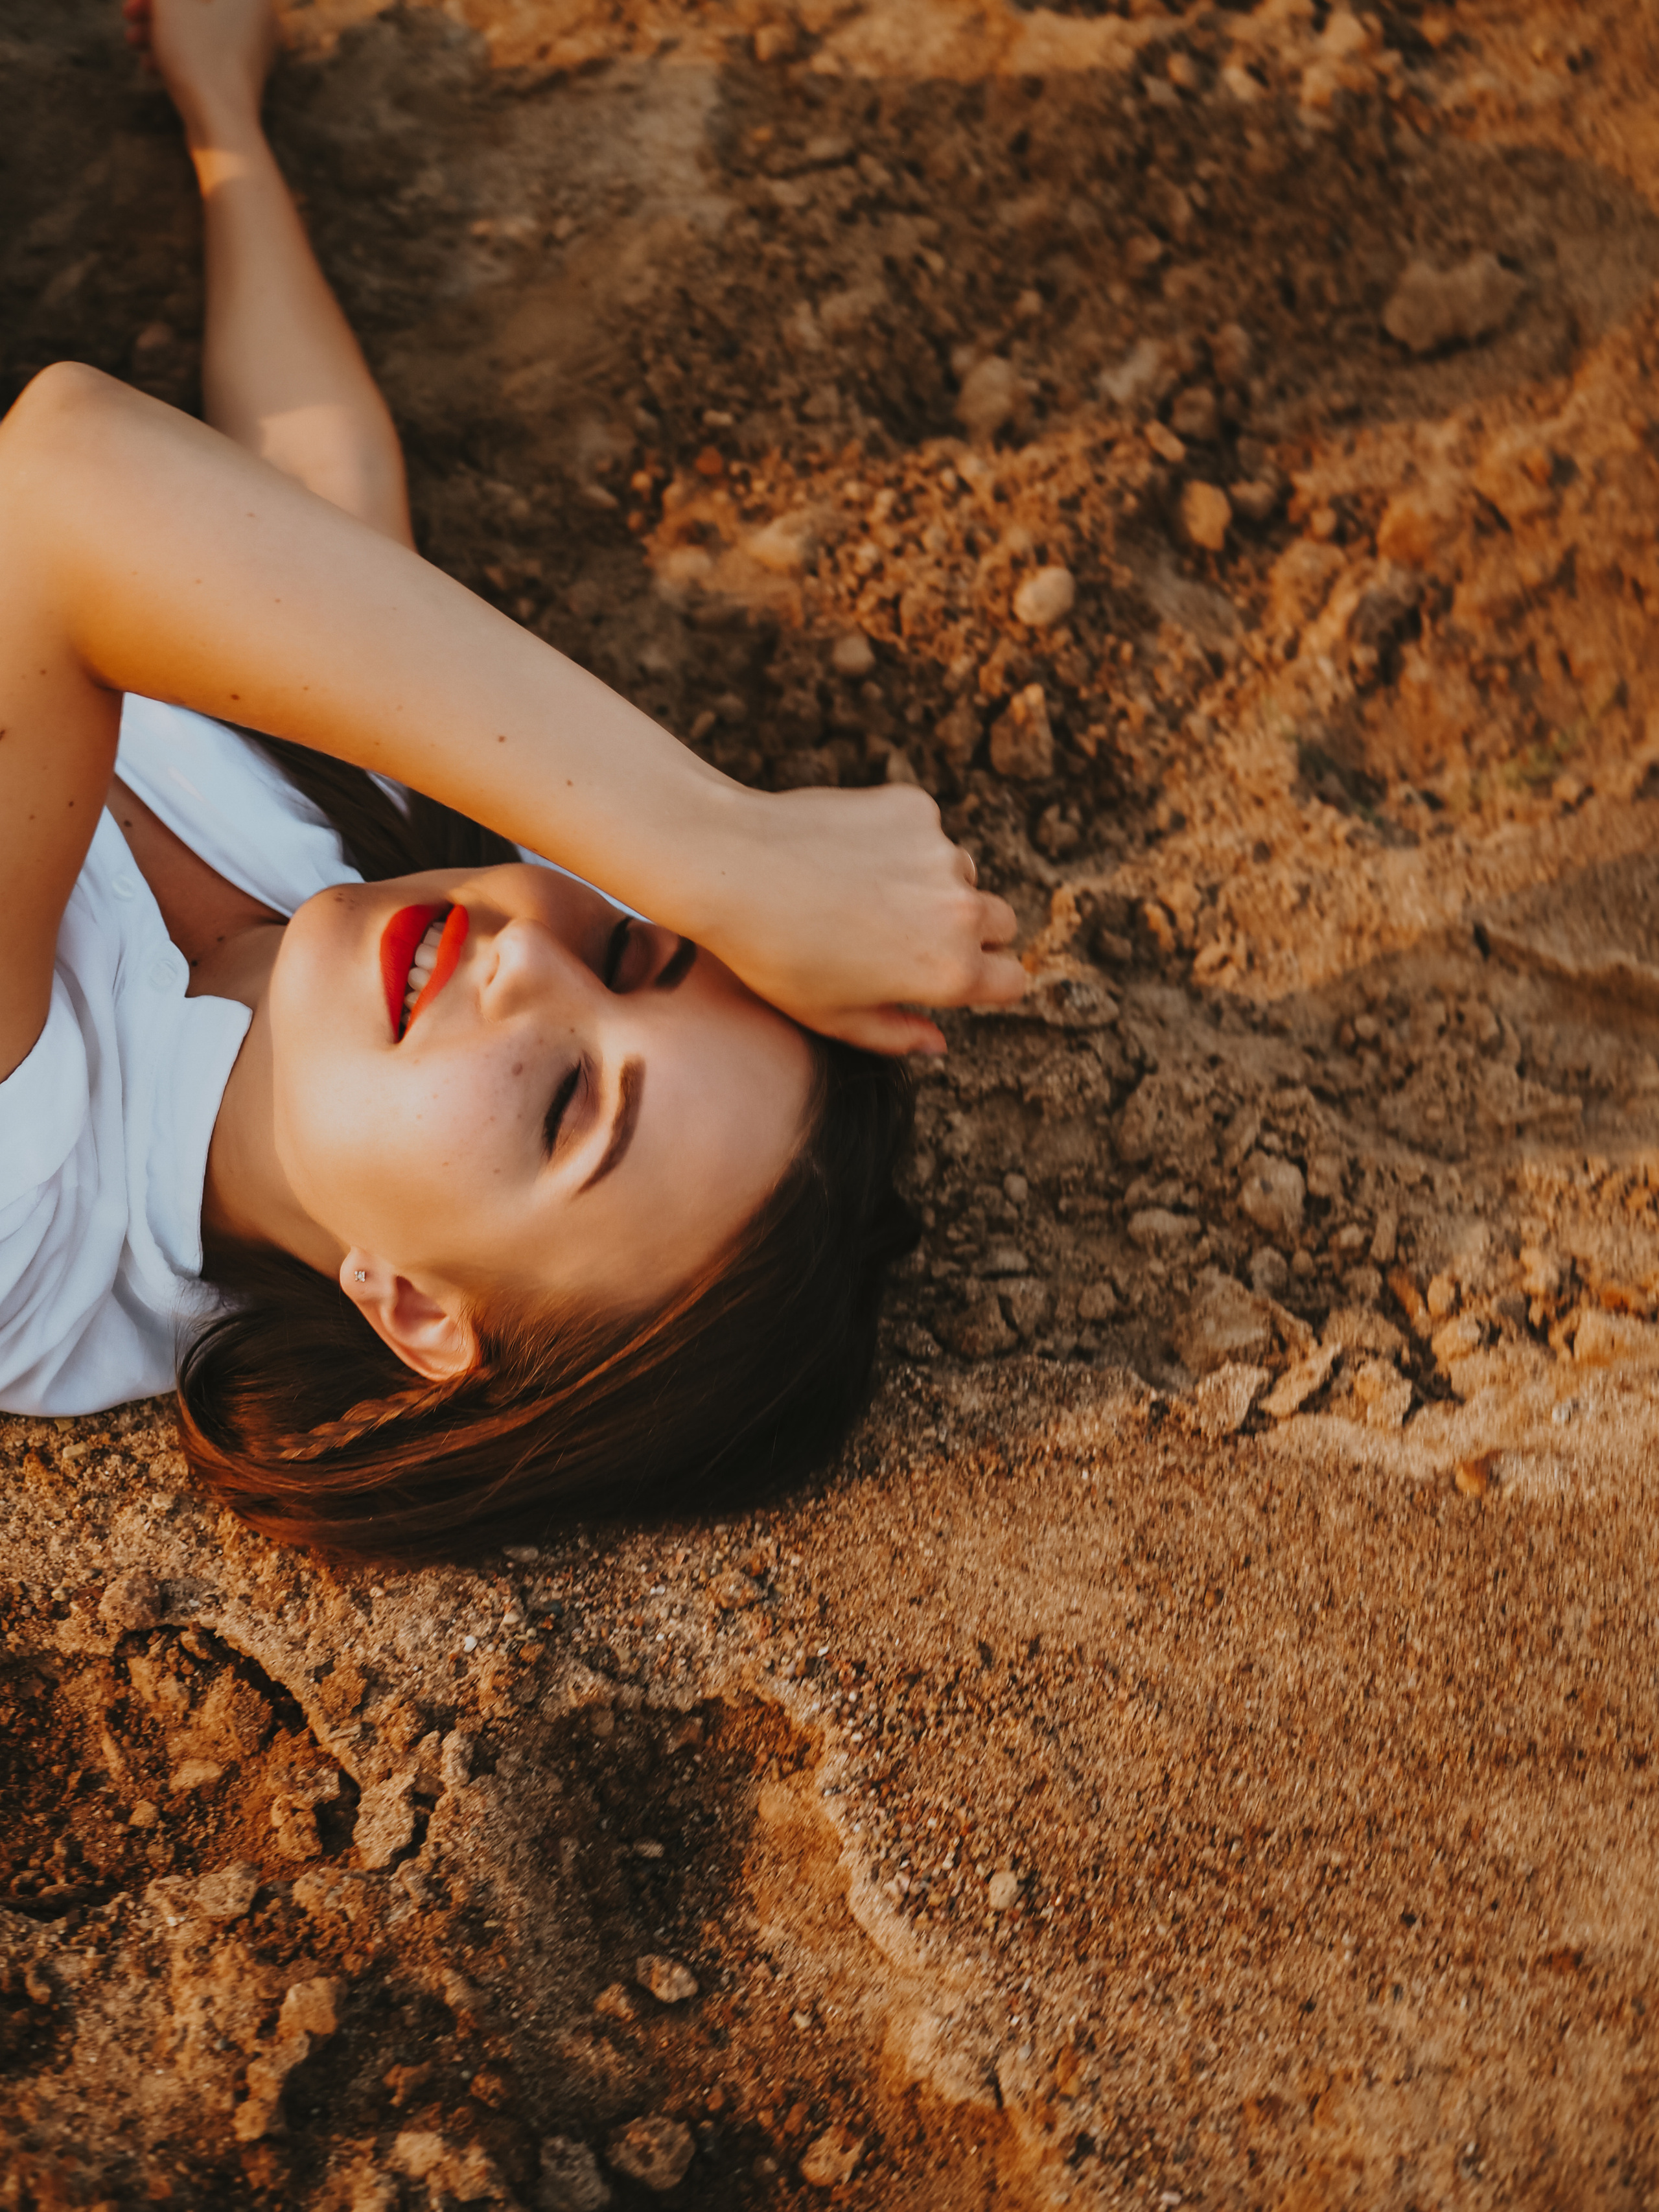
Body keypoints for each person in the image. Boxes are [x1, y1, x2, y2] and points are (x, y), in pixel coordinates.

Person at [0, 0, 1023, 1559]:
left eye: (562, 1108)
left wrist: (716, 851)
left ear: (415, 1309)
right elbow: (320, 494)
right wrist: (225, 118)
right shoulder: (339, 852)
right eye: (629, 945)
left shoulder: (36, 1207)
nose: (530, 963)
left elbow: (61, 492)